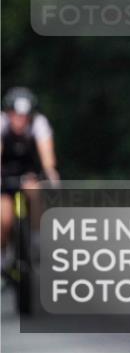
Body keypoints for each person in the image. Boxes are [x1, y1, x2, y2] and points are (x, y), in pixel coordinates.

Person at [1, 87, 60, 260]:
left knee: (38, 194)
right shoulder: (1, 123)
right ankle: (3, 258)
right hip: (4, 179)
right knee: (3, 218)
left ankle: (38, 238)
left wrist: (51, 175)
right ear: (9, 112)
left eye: (24, 116)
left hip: (29, 175)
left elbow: (48, 158)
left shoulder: (39, 123)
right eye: (16, 114)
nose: (20, 120)